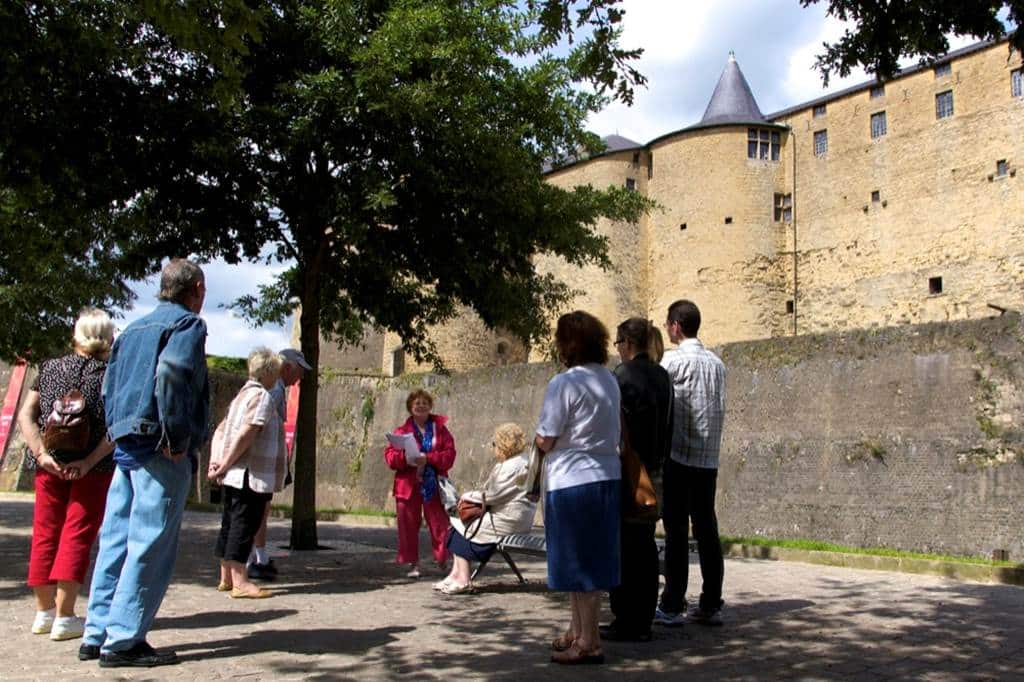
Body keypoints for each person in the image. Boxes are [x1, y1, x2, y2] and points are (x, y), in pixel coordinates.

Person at [80, 258, 209, 668]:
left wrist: (119, 428)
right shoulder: (188, 325)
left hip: (128, 446)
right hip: (159, 446)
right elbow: (171, 371)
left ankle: (95, 632)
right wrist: (175, 435)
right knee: (150, 543)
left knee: (115, 541)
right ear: (198, 288)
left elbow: (108, 386)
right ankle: (123, 641)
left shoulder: (133, 328)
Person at [18, 308, 117, 642]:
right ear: (107, 337)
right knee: (78, 534)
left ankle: (43, 614)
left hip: (49, 466)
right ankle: (65, 616)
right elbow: (114, 429)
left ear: (76, 334)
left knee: (45, 532)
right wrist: (89, 461)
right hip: (92, 468)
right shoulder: (110, 375)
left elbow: (25, 416)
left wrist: (41, 455)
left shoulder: (49, 368)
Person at [535, 311, 621, 665]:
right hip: (606, 475)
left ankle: (589, 641)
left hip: (571, 479)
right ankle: (576, 629)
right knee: (584, 559)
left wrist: (538, 439)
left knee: (581, 563)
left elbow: (548, 437)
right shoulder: (609, 380)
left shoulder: (564, 383)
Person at [656, 299, 727, 627]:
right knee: (707, 529)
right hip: (708, 459)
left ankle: (672, 603)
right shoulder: (718, 365)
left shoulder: (671, 361)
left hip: (679, 456)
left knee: (676, 532)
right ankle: (712, 601)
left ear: (675, 326)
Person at [603, 318, 673, 642]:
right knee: (644, 544)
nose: (617, 351)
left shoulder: (622, 375)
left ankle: (627, 617)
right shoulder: (663, 375)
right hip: (656, 469)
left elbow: (614, 426)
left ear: (626, 344)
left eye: (618, 344)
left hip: (630, 469)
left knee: (624, 544)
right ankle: (642, 616)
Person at [207, 348, 286, 599]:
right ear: (269, 372)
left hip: (235, 474)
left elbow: (221, 431)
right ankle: (241, 581)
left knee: (230, 523)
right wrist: (227, 462)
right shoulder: (262, 396)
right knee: (244, 525)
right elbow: (249, 432)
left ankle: (226, 577)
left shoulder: (241, 395)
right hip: (249, 473)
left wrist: (217, 461)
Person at [434, 422, 537, 595]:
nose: (493, 448)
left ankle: (462, 578)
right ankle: (456, 574)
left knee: (460, 524)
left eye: (495, 444)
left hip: (507, 519)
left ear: (504, 444)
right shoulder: (524, 461)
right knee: (460, 522)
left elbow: (493, 496)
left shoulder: (511, 466)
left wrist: (467, 496)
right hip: (516, 517)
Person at [247, 347, 310, 581]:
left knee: (261, 510)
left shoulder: (277, 388)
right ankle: (251, 559)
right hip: (261, 462)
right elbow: (256, 424)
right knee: (257, 511)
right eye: (299, 371)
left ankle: (258, 556)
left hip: (266, 461)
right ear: (287, 368)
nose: (300, 377)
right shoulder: (274, 390)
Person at [384, 389, 456, 578]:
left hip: (433, 483)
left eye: (424, 403)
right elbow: (390, 457)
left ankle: (443, 559)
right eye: (417, 403)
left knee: (439, 522)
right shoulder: (401, 431)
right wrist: (405, 458)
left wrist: (429, 458)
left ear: (430, 406)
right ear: (410, 407)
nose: (421, 406)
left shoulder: (440, 429)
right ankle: (412, 563)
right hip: (408, 484)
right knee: (408, 524)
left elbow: (449, 454)